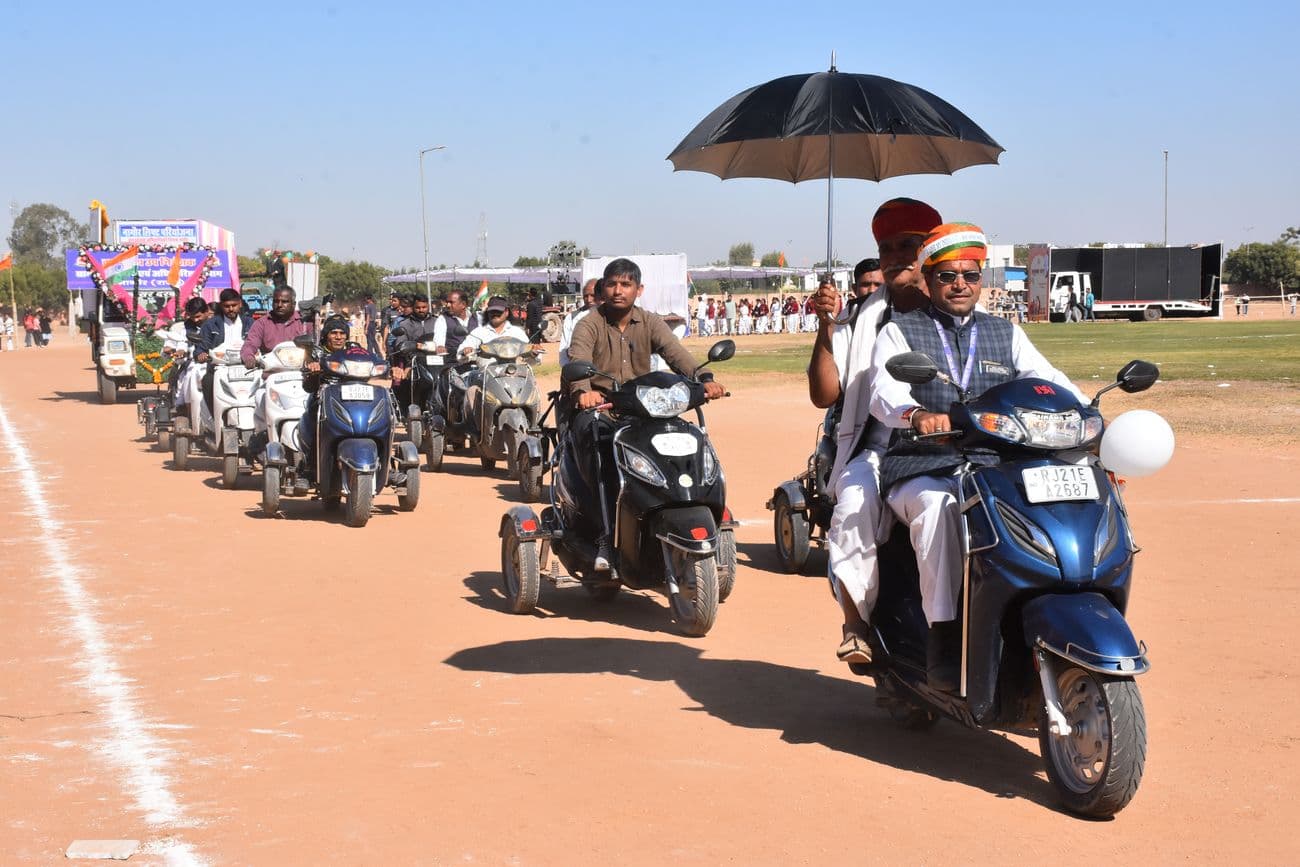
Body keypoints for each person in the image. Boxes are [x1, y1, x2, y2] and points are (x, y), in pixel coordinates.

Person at [868, 222, 1086, 690]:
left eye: (969, 274)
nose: (960, 284)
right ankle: (944, 638)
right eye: (947, 276)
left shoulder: (1004, 333)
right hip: (923, 467)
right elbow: (882, 394)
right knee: (939, 510)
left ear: (981, 278)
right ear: (928, 281)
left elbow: (1050, 379)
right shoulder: (899, 332)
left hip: (996, 465)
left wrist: (1085, 412)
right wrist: (915, 414)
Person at [807, 197, 943, 664]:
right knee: (854, 505)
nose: (896, 256)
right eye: (887, 247)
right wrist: (827, 326)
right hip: (879, 448)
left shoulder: (954, 310)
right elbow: (825, 395)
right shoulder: (864, 317)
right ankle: (856, 624)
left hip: (953, 446)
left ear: (931, 250)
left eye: (910, 244)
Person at [567, 258, 728, 570]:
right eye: (612, 284)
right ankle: (604, 532)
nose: (618, 290)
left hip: (642, 408)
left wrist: (704, 380)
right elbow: (578, 361)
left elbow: (676, 354)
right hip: (602, 410)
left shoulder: (650, 322)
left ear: (638, 290)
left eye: (625, 284)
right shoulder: (589, 324)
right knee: (599, 455)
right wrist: (583, 392)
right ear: (603, 288)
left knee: (685, 439)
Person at [299, 315, 353, 480]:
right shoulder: (315, 352)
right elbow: (308, 386)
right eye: (334, 333)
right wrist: (313, 370)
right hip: (323, 398)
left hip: (352, 397)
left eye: (342, 333)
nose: (338, 337)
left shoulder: (354, 349)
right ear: (326, 335)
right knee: (318, 419)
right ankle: (310, 466)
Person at [196, 289, 253, 412]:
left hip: (247, 368)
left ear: (240, 304)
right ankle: (215, 415)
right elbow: (202, 346)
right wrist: (201, 354)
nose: (231, 309)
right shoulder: (210, 325)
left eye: (234, 305)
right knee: (207, 381)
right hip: (219, 369)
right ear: (221, 306)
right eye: (227, 306)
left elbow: (258, 343)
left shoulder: (250, 323)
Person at [240, 287, 307, 368]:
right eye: (276, 301)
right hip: (271, 372)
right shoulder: (262, 323)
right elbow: (250, 345)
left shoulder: (304, 322)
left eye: (284, 302)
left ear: (293, 304)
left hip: (300, 372)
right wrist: (249, 358)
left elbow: (315, 348)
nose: (279, 305)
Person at [559, 279, 600, 366]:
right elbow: (564, 347)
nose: (589, 300)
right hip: (577, 368)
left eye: (593, 295)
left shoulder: (609, 315)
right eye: (586, 296)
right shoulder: (571, 317)